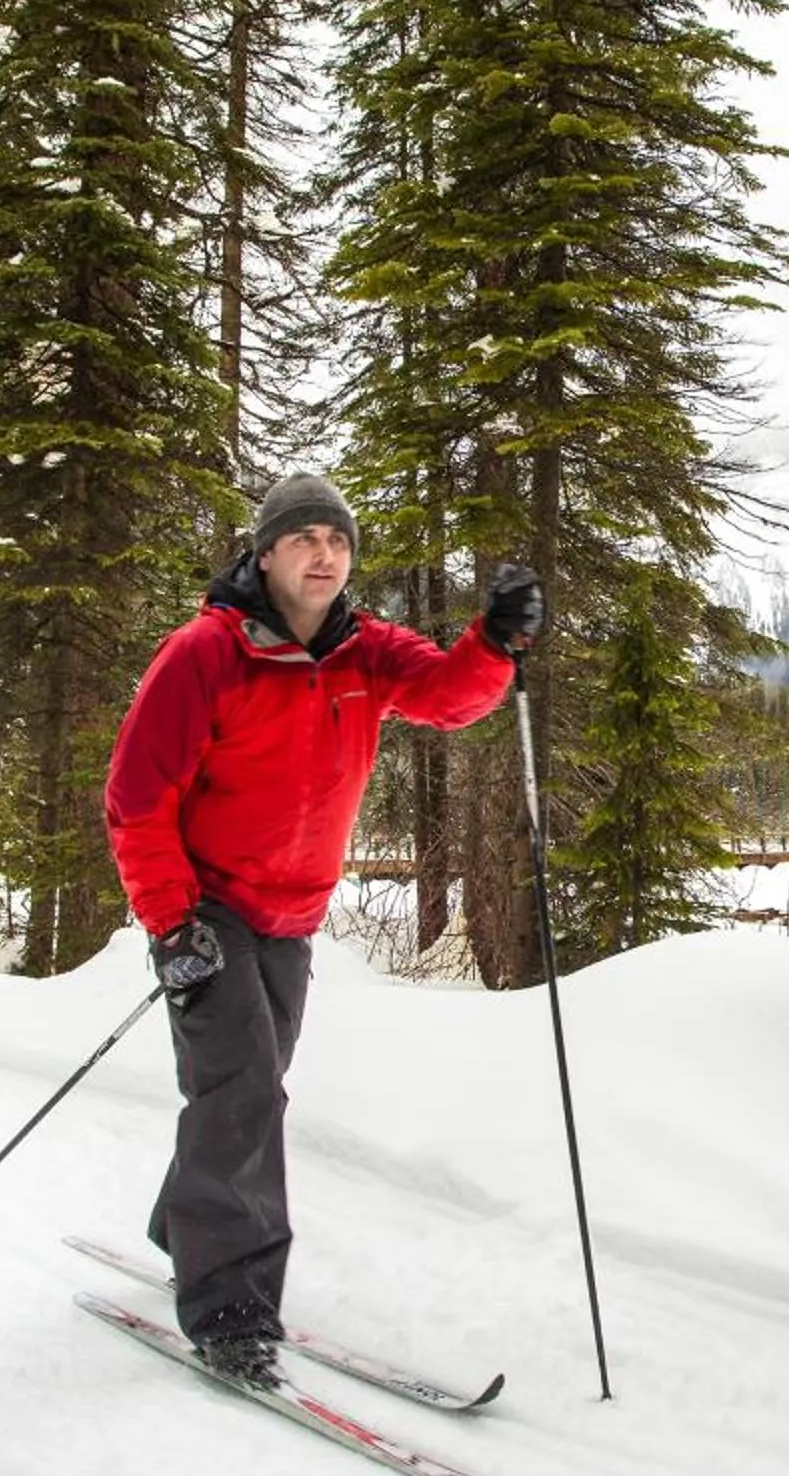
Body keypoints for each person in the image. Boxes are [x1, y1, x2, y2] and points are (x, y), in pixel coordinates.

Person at [102, 472, 545, 1378]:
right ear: (265, 553)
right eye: (305, 538)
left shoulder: (364, 651)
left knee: (248, 1086)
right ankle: (230, 1308)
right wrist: (172, 924)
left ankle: (186, 1229)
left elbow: (447, 697)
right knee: (243, 1093)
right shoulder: (204, 653)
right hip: (207, 910)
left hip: (292, 914)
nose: (324, 553)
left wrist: (495, 642)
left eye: (337, 541)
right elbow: (136, 799)